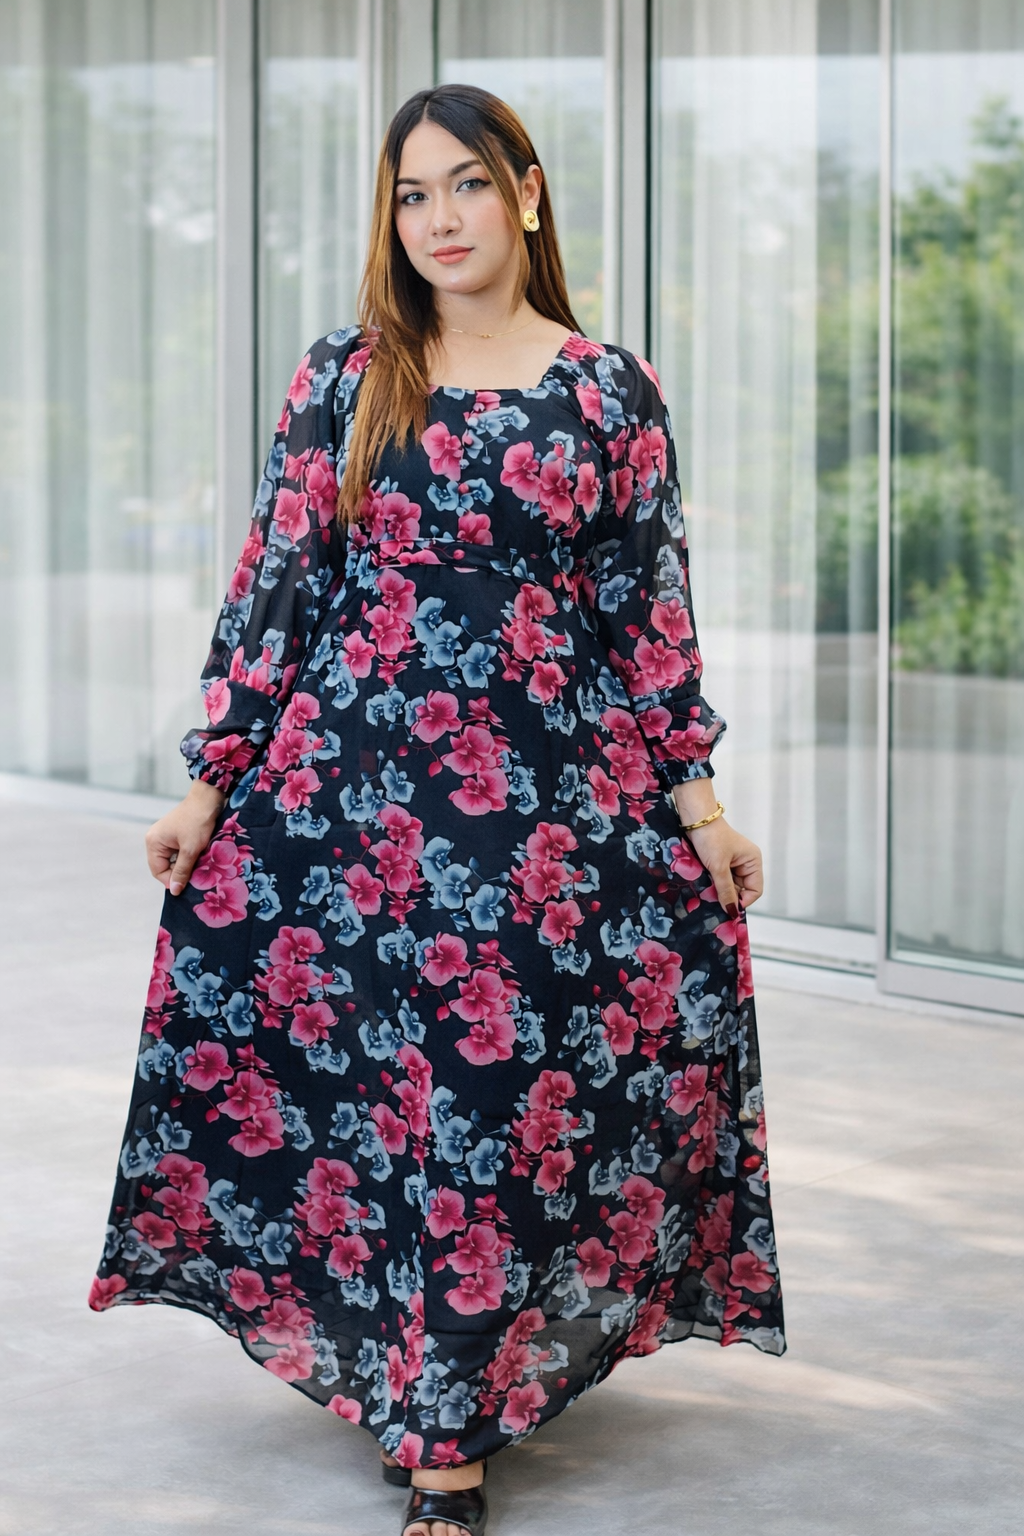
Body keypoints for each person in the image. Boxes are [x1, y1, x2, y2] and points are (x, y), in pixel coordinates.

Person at [91, 83, 785, 1536]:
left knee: (491, 1107)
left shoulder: (609, 391)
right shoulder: (350, 372)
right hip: (347, 807)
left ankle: (458, 1397)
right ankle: (432, 1425)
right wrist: (211, 782)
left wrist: (701, 807)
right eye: (413, 196)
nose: (441, 220)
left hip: (545, 814)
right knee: (378, 1105)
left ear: (527, 193)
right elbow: (281, 582)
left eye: (465, 185)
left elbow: (646, 617)